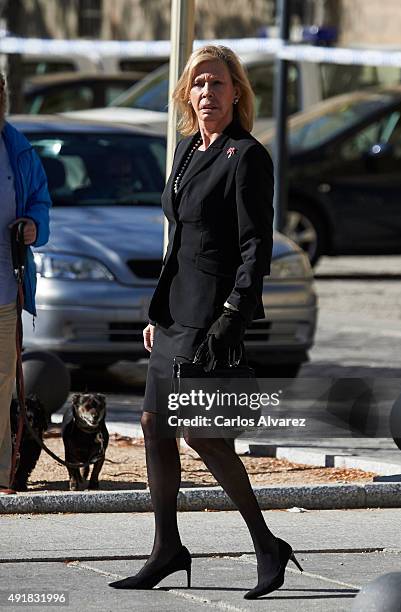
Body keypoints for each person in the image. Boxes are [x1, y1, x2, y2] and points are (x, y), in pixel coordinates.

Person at [109, 45, 302, 600]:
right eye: (198, 85)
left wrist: (232, 317)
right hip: (175, 315)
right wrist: (156, 310)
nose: (207, 94)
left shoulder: (247, 156)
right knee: (154, 427)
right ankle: (166, 548)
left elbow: (254, 248)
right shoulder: (188, 149)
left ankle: (267, 544)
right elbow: (181, 240)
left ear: (236, 92)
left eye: (217, 84)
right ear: (186, 95)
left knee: (204, 435)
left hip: (211, 317)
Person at [0, 73, 51, 495]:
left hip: (4, 290)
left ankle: (1, 476)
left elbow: (40, 200)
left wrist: (35, 224)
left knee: (2, 389)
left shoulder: (17, 147)